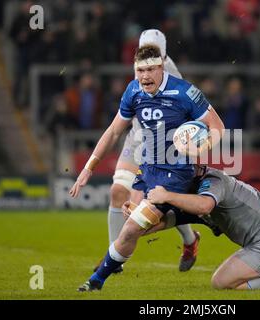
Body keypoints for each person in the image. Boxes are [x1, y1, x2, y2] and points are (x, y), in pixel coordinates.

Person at [72, 44, 225, 291]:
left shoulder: (185, 92)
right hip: (147, 169)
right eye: (140, 70)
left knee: (133, 227)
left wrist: (200, 147)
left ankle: (96, 282)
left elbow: (218, 127)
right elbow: (113, 132)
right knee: (133, 220)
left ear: (161, 68)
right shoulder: (133, 91)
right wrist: (89, 167)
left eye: (151, 69)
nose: (145, 76)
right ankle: (193, 215)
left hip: (176, 172)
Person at [103, 29, 203, 273]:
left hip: (163, 145)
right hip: (137, 138)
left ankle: (190, 240)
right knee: (117, 192)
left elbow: (189, 119)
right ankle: (113, 260)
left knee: (158, 202)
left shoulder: (173, 76)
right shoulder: (140, 66)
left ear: (163, 54)